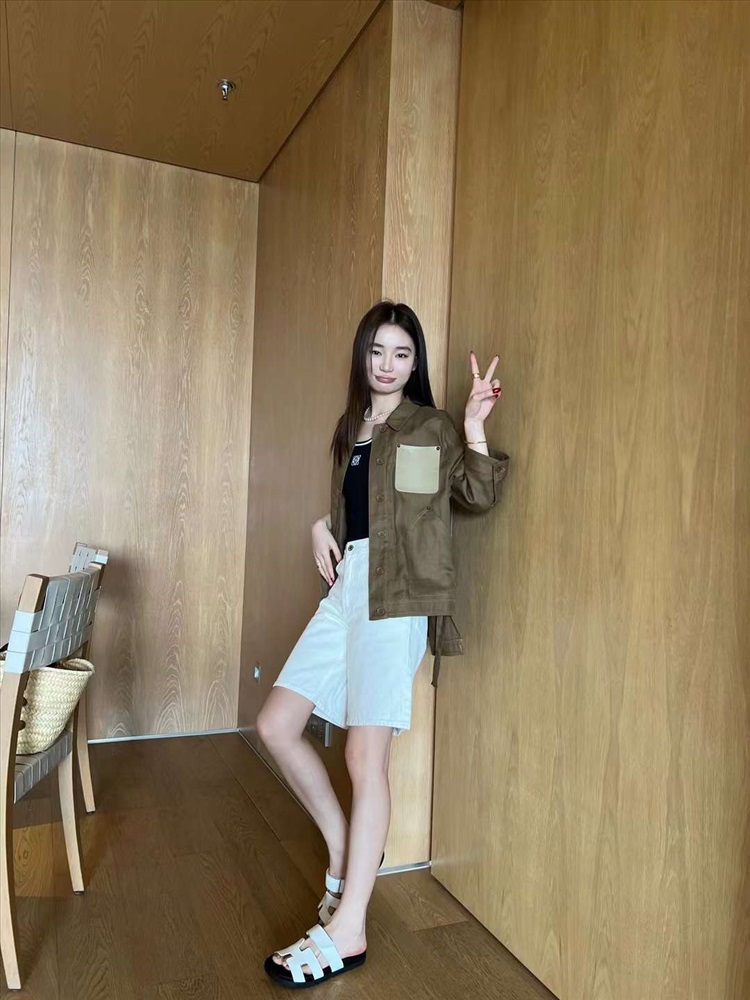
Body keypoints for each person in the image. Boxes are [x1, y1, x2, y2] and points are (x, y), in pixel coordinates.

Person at [259, 300, 509, 987]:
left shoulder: (429, 426)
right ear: (362, 356)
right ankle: (346, 853)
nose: (389, 364)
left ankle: (350, 928)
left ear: (414, 361)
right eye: (378, 351)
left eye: (402, 353)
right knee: (277, 723)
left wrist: (474, 426)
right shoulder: (352, 427)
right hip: (347, 588)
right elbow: (362, 509)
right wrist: (321, 524)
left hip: (397, 599)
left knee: (366, 757)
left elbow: (473, 495)